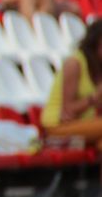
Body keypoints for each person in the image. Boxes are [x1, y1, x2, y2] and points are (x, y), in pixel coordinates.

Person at [41, 20, 102, 149]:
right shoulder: (75, 63)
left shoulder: (98, 67)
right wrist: (94, 98)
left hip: (83, 124)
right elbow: (67, 111)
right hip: (57, 125)